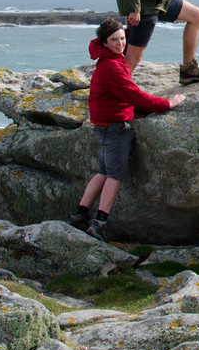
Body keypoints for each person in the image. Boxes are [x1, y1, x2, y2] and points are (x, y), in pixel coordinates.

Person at [67, 18, 184, 241]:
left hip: (104, 126)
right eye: (115, 40)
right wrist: (168, 103)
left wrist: (136, 26)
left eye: (122, 38)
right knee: (115, 175)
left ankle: (79, 215)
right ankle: (98, 224)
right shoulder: (111, 66)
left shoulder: (108, 58)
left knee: (103, 172)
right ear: (104, 42)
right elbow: (135, 96)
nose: (121, 43)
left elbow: (130, 40)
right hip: (114, 128)